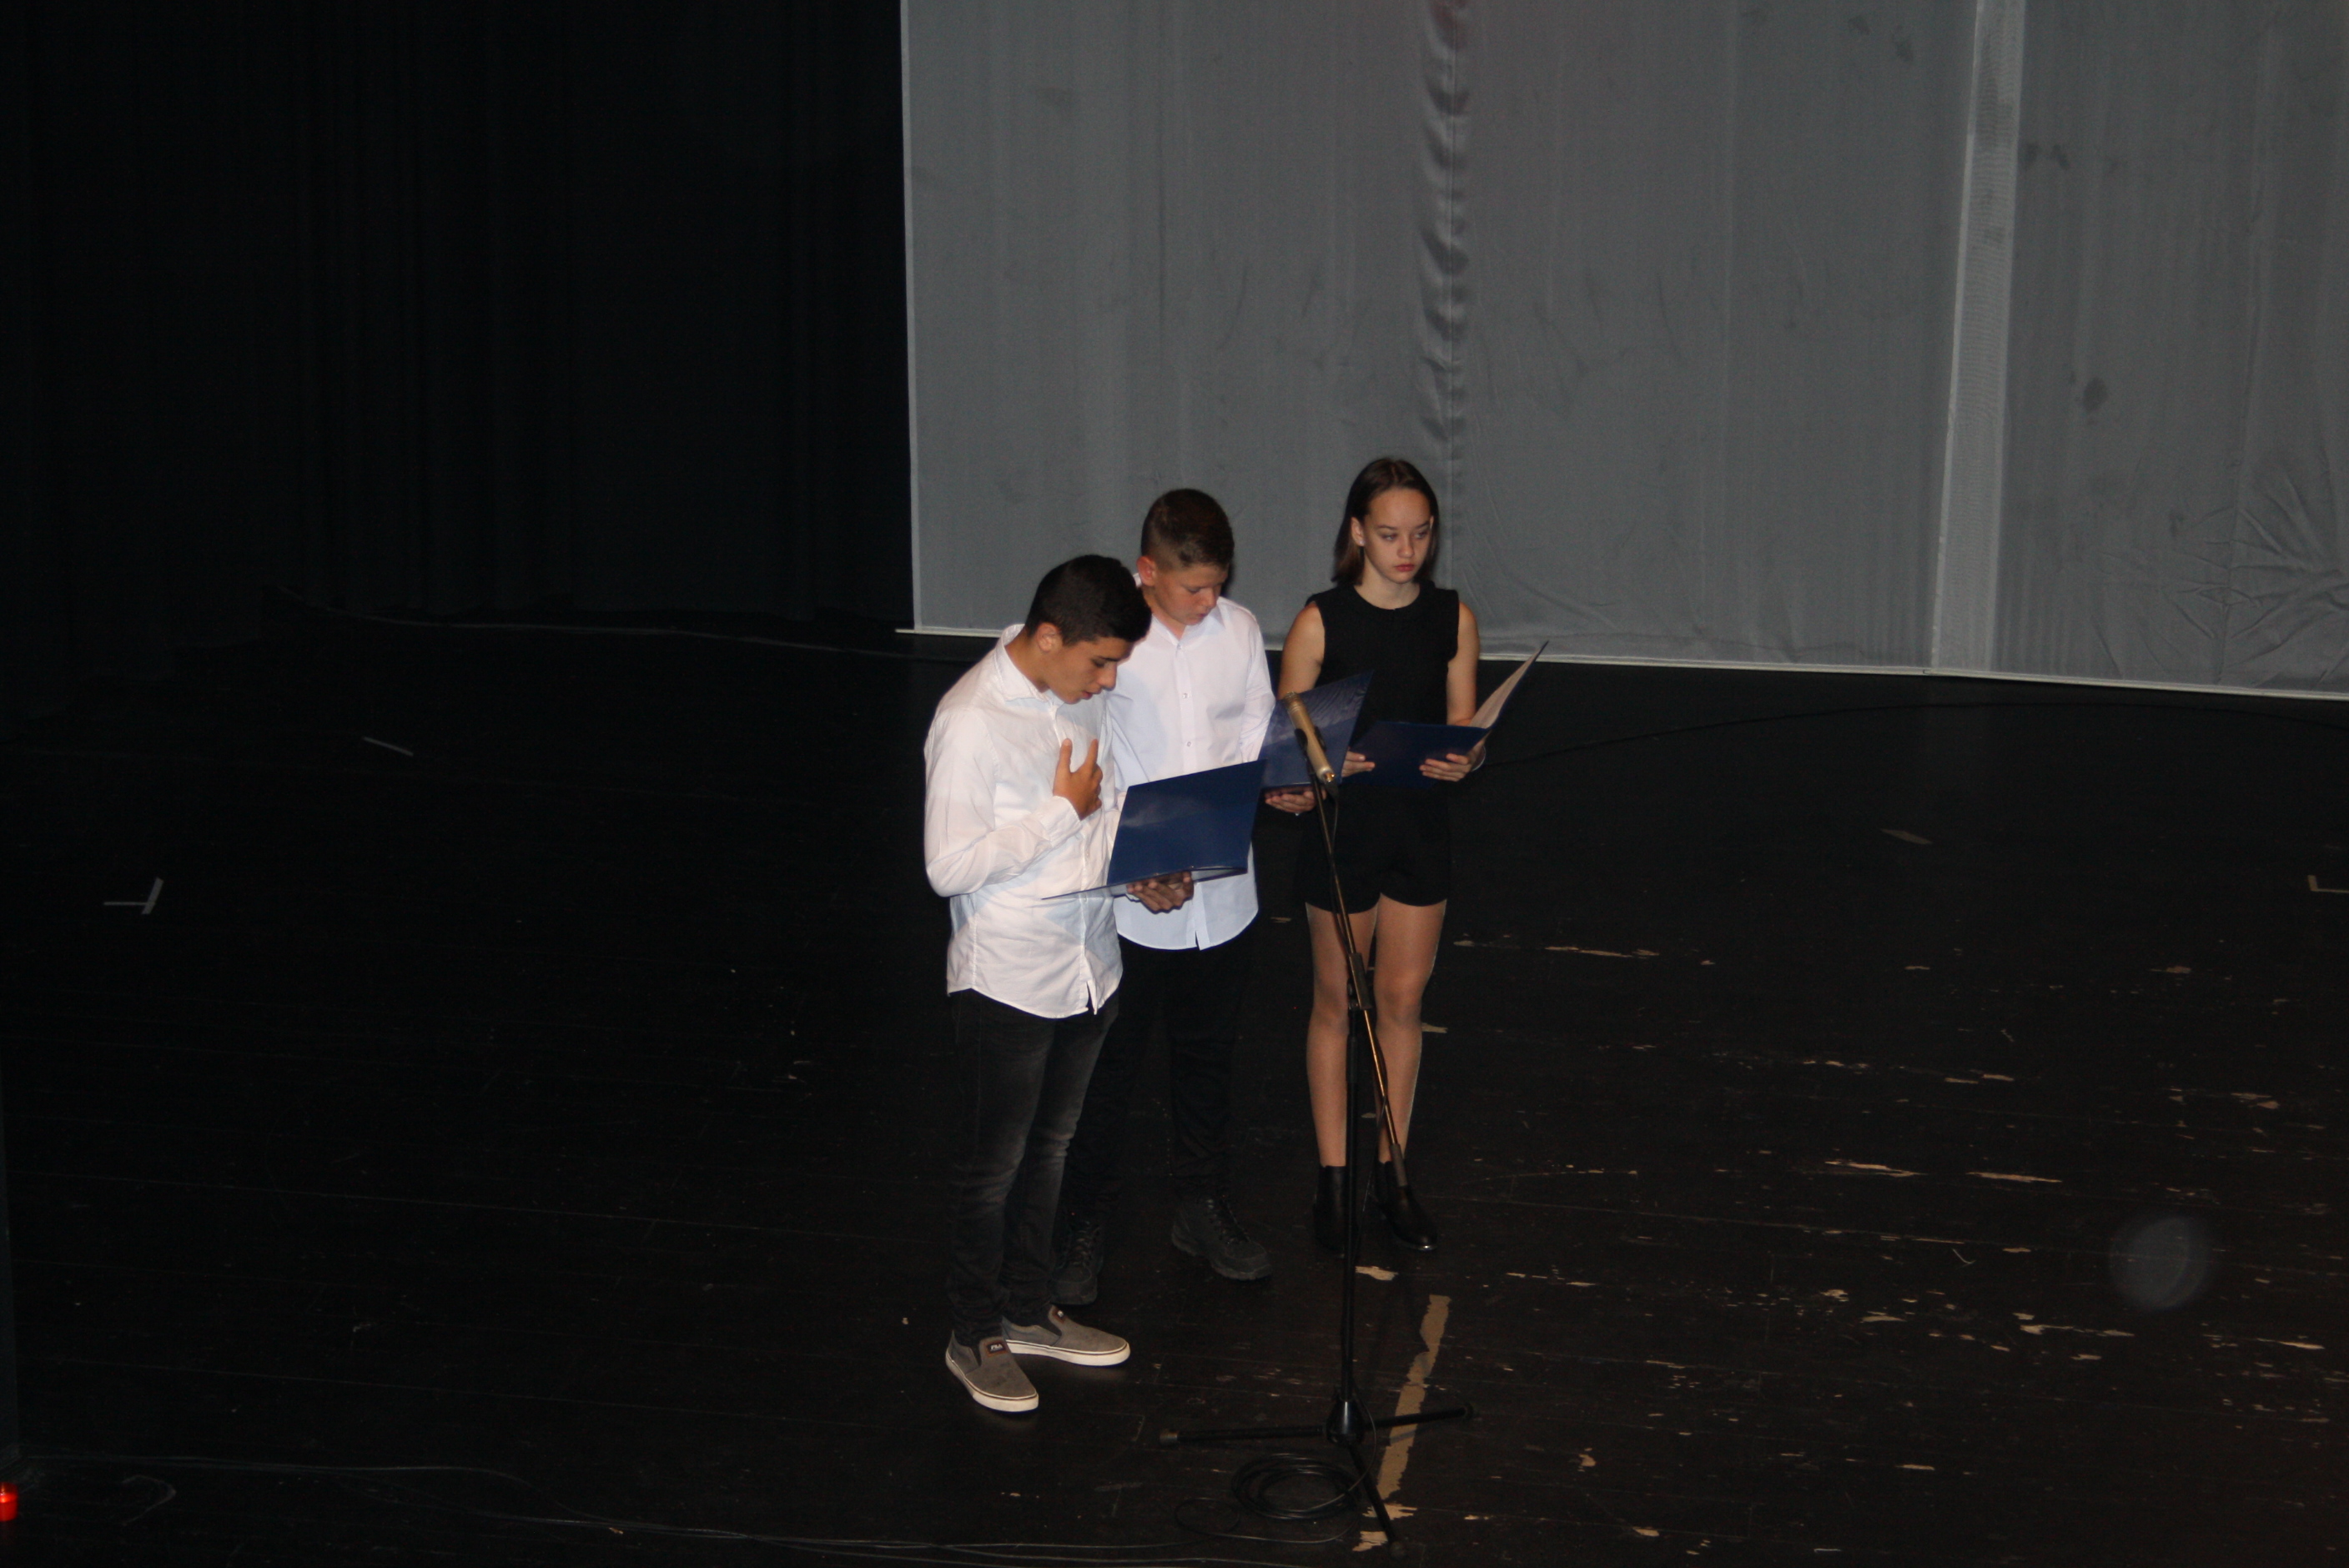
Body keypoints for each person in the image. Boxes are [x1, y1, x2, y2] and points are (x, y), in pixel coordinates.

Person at [923, 555, 1192, 1413]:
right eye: (1100, 661)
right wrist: (1057, 813)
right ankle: (973, 1333)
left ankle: (1027, 1308)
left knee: (1052, 1149)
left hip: (1088, 965)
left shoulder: (1080, 695)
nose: (1109, 680)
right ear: (1048, 637)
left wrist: (1139, 873)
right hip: (1008, 977)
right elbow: (947, 866)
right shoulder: (970, 719)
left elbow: (1102, 815)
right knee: (992, 1168)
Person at [1051, 490, 1279, 1307]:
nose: (1210, 600)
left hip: (1223, 895)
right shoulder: (1114, 644)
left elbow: (1252, 737)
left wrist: (1277, 783)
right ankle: (1080, 1223)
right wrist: (1133, 860)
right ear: (1147, 571)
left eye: (1217, 584)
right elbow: (1088, 755)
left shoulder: (1240, 632)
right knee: (1108, 1072)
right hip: (1131, 897)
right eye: (1193, 587)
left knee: (1208, 1062)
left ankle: (1200, 1207)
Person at [1275, 457, 1481, 1255]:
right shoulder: (1321, 621)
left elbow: (1462, 728)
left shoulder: (1452, 617)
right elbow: (1288, 740)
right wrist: (1327, 761)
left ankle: (1392, 1177)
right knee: (1338, 1002)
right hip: (1347, 829)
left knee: (1401, 1002)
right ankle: (1333, 1180)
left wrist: (1468, 757)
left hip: (1419, 827)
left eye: (1421, 534)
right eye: (1391, 535)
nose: (1408, 551)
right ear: (1357, 532)